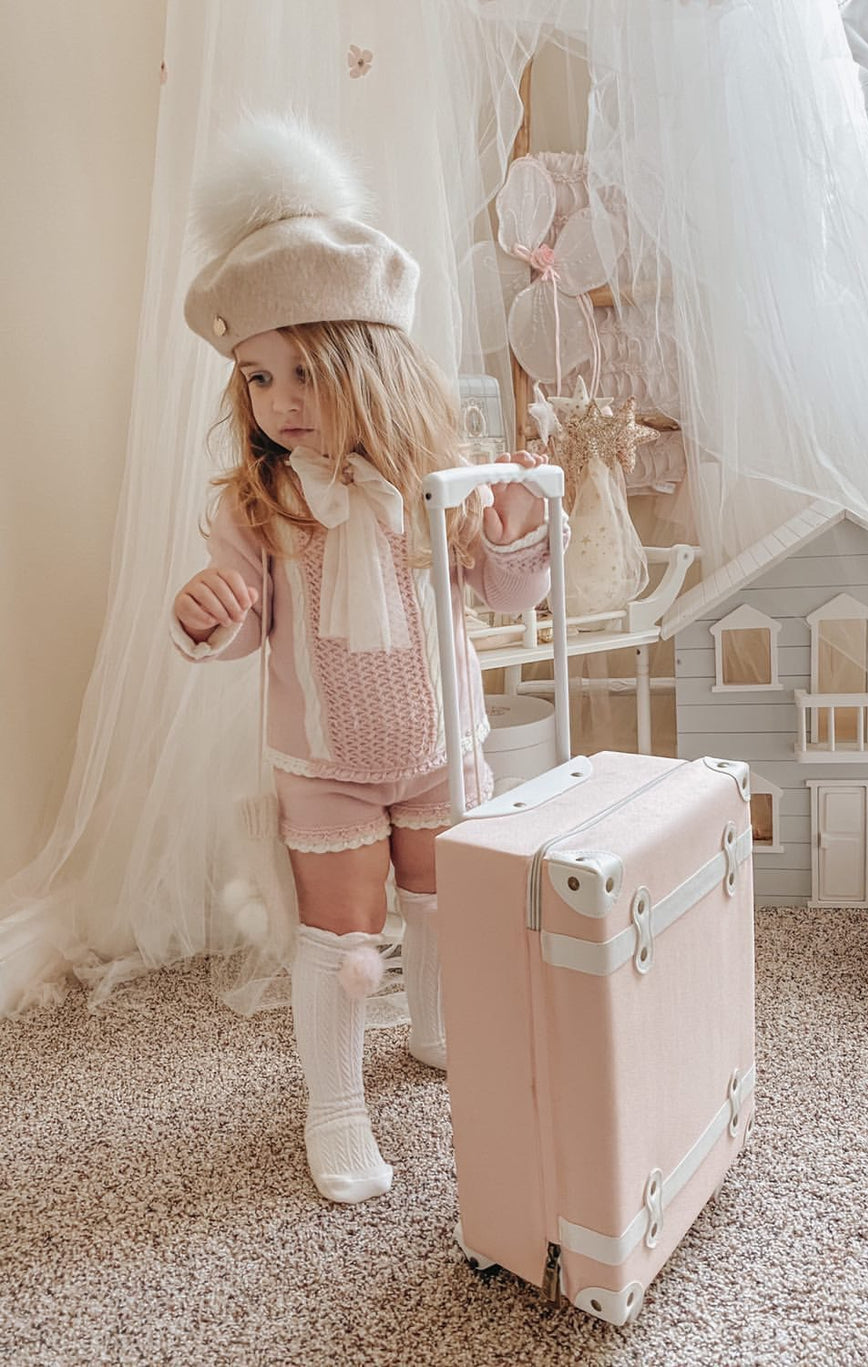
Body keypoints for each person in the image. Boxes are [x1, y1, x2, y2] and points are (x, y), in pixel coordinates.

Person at [172, 117, 557, 1205]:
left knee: (442, 903)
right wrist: (208, 613)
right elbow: (244, 628)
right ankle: (333, 1101)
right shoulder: (260, 500)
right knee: (339, 935)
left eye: (305, 373)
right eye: (257, 378)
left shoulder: (436, 482)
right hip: (328, 762)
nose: (281, 402)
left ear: (370, 363)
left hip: (440, 748)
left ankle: (434, 1030)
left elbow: (507, 593)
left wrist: (519, 523)